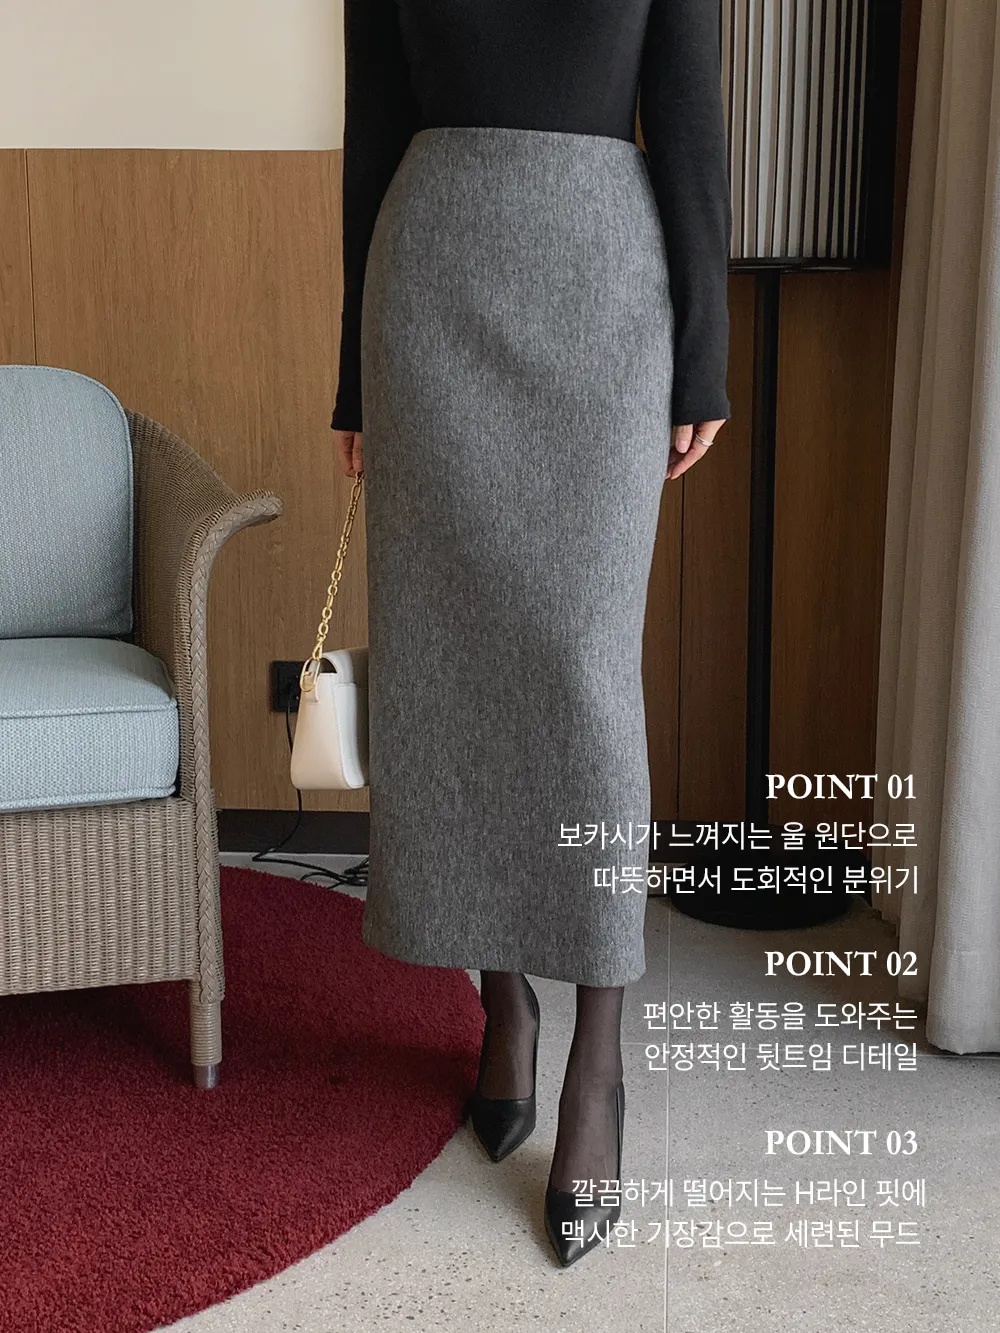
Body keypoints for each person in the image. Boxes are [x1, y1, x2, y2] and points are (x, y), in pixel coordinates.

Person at [329, 0, 731, 1267]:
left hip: (603, 298)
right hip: (431, 290)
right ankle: (502, 1006)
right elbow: (372, 130)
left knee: (582, 678)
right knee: (452, 675)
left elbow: (688, 122)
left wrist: (703, 358)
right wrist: (352, 373)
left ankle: (597, 1063)